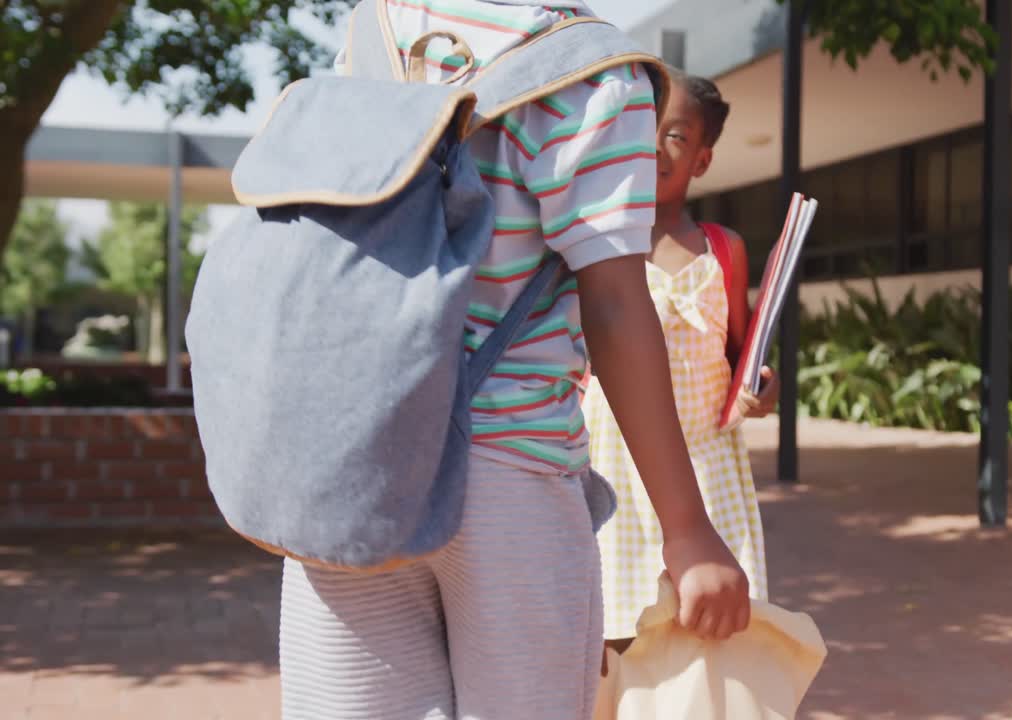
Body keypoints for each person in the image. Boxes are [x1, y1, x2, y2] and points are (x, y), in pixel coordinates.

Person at [278, 3, 749, 719]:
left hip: (354, 455)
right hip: (509, 471)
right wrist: (687, 531)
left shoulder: (376, 29)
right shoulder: (594, 69)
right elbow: (617, 303)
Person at [584, 70, 779, 651]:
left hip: (708, 468)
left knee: (707, 631)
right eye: (642, 127)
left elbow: (741, 352)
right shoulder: (597, 245)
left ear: (701, 159)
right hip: (611, 463)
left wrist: (762, 387)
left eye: (675, 136)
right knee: (615, 630)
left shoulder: (723, 249)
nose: (653, 145)